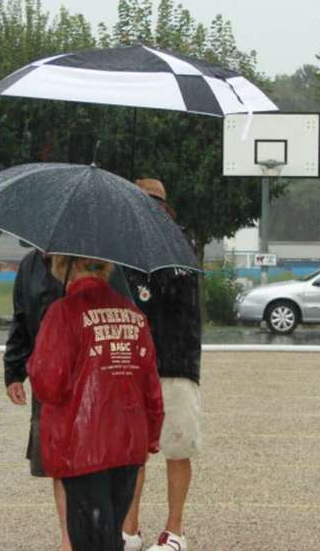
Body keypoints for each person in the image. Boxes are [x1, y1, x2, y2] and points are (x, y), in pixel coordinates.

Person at [27, 255, 164, 551]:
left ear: (71, 266)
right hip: (129, 442)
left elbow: (48, 384)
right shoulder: (133, 313)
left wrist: (33, 363)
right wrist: (150, 438)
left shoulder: (63, 313)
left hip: (82, 447)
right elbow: (151, 387)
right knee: (110, 532)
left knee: (89, 540)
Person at [123, 179, 202, 551]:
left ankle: (174, 531)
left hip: (174, 362)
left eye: (149, 204)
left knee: (176, 446)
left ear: (162, 209)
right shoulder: (123, 250)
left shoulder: (179, 245)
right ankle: (129, 529)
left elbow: (166, 297)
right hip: (130, 364)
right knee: (131, 452)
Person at [4, 248, 70, 550]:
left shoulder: (90, 258)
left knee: (95, 460)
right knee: (58, 462)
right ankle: (68, 540)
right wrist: (14, 372)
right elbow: (20, 320)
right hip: (48, 378)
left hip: (90, 373)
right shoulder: (29, 264)